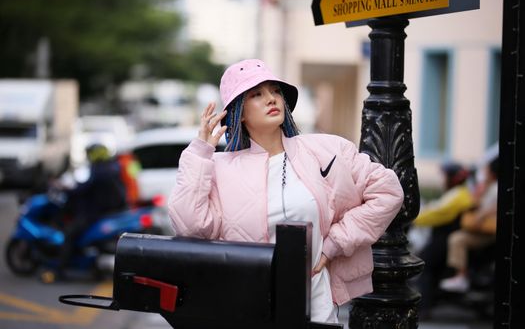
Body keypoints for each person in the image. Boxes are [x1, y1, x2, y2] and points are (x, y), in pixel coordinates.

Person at [167, 59, 404, 323]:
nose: (271, 99)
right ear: (239, 113)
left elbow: (388, 192)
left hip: (316, 309)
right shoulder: (219, 169)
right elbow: (190, 227)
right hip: (246, 310)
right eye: (257, 94)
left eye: (275, 91)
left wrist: (335, 244)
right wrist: (200, 152)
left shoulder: (327, 150)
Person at [42, 143, 128, 282]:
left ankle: (59, 271)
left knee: (69, 235)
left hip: (94, 214)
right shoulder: (111, 167)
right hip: (106, 211)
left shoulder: (99, 170)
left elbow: (84, 188)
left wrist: (65, 188)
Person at [411, 162, 476, 317]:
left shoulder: (459, 194)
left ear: (452, 178)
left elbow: (439, 212)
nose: (442, 180)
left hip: (443, 242)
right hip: (443, 240)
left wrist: (413, 218)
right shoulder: (459, 193)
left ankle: (424, 308)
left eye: (445, 176)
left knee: (425, 267)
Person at [439, 156, 498, 293]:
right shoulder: (488, 187)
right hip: (482, 229)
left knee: (457, 239)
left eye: (486, 169)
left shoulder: (496, 187)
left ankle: (461, 276)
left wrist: (481, 215)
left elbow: (494, 206)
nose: (484, 172)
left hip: (488, 230)